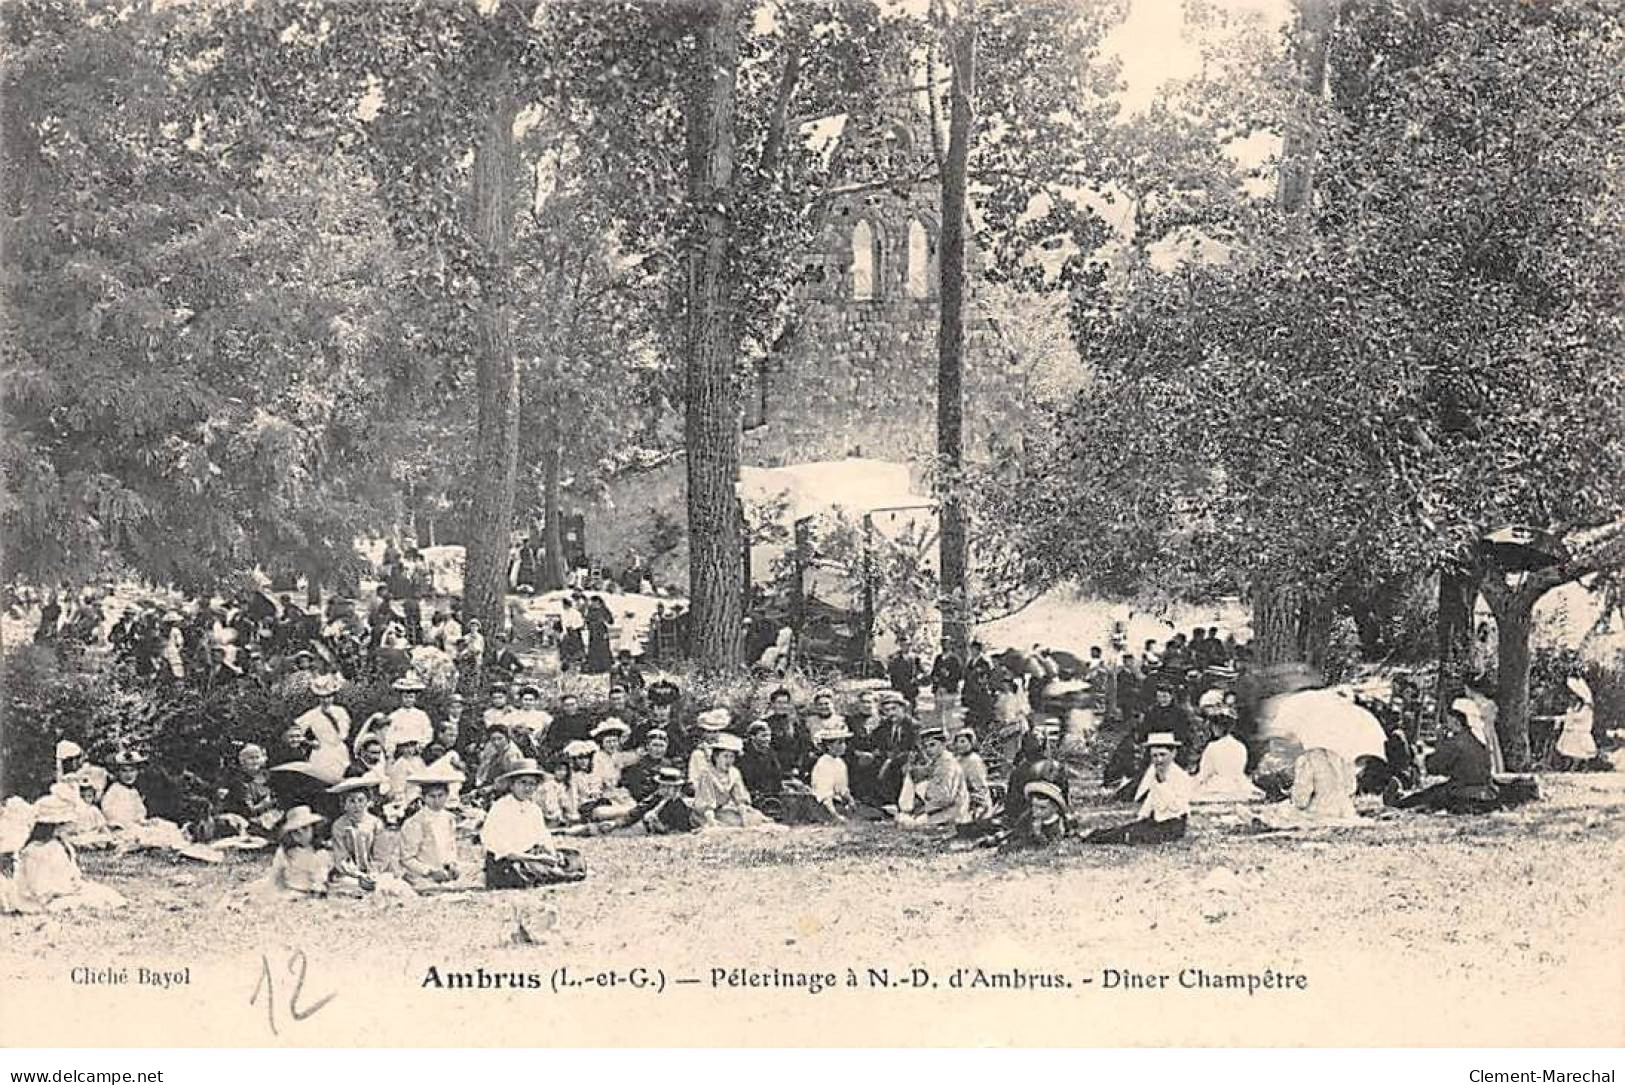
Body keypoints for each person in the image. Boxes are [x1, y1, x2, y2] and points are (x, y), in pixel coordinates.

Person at [1383, 699, 1505, 814]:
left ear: (1456, 721)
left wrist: (1438, 744)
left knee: (1432, 793)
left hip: (1463, 793)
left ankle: (1398, 803)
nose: (1447, 723)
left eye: (1449, 720)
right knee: (1439, 790)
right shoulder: (1478, 739)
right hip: (1487, 793)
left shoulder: (1457, 742)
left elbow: (1435, 766)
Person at [480, 759, 587, 888]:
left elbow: (542, 836)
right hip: (507, 862)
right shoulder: (500, 807)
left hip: (532, 854)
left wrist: (552, 854)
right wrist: (536, 859)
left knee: (573, 857)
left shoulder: (533, 809)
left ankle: (555, 871)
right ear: (512, 785)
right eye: (523, 783)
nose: (528, 788)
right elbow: (503, 850)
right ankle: (554, 874)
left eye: (532, 784)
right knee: (522, 870)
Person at [13, 797, 128, 912]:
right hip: (43, 897)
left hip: (63, 888)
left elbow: (70, 872)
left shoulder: (60, 844)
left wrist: (74, 882)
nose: (69, 828)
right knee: (86, 899)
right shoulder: (36, 850)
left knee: (103, 894)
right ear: (53, 826)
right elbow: (39, 888)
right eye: (64, 825)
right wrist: (67, 889)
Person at [1084, 733, 1191, 845]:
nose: (1159, 760)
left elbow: (1175, 808)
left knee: (1133, 836)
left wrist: (1162, 783)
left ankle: (1099, 839)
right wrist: (1142, 817)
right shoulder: (1155, 772)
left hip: (1172, 825)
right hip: (1156, 821)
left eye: (1163, 755)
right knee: (1126, 829)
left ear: (1173, 753)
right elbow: (1151, 799)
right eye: (1155, 756)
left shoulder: (1181, 777)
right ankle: (1093, 836)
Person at [1252, 747, 1360, 830]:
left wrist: (1292, 792)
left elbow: (1301, 800)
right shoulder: (1345, 758)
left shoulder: (1308, 758)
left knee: (1278, 812)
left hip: (1319, 811)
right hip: (1345, 810)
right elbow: (1350, 789)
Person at [326, 777, 398, 895]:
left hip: (374, 872)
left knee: (385, 883)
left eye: (360, 800)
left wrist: (372, 872)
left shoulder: (375, 823)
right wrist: (358, 874)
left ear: (368, 802)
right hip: (351, 875)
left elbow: (381, 854)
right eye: (352, 801)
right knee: (345, 884)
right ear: (344, 804)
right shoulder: (339, 826)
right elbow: (341, 857)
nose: (357, 805)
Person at [398, 765, 463, 889]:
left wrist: (452, 864)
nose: (437, 801)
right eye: (432, 796)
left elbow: (450, 847)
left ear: (447, 795)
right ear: (423, 797)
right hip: (421, 878)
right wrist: (429, 872)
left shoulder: (449, 818)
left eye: (441, 795)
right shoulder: (415, 822)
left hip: (444, 875)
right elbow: (406, 858)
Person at [896, 727, 969, 830]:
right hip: (937, 807)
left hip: (951, 811)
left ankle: (909, 813)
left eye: (932, 745)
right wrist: (912, 769)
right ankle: (906, 809)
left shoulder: (947, 765)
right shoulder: (937, 761)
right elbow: (923, 772)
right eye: (926, 747)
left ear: (943, 745)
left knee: (909, 824)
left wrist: (924, 809)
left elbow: (944, 798)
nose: (929, 750)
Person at [692, 734, 769, 828]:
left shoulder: (734, 773)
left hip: (723, 810)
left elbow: (740, 799)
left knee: (753, 817)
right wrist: (712, 823)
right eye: (725, 756)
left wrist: (745, 820)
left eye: (731, 757)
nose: (729, 760)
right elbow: (706, 804)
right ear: (716, 757)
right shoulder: (707, 774)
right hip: (706, 814)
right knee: (729, 823)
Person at [292, 674, 352, 784]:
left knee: (341, 781)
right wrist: (308, 742)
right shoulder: (312, 714)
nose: (326, 700)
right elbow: (295, 731)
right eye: (322, 697)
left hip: (339, 751)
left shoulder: (341, 711)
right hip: (321, 753)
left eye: (329, 696)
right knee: (321, 781)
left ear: (334, 696)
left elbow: (344, 734)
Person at [262, 807, 333, 898]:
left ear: (313, 829)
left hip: (309, 894)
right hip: (288, 892)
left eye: (305, 828)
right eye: (295, 832)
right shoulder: (285, 852)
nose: (301, 834)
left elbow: (319, 880)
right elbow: (276, 875)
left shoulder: (320, 853)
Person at [1191, 713, 1263, 802]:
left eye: (1212, 726)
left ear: (1216, 727)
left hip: (1218, 785)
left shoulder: (1213, 747)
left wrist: (1192, 785)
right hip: (1238, 785)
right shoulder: (1240, 746)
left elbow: (1205, 773)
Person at [613, 766, 699, 835]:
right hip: (643, 824)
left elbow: (680, 830)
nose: (665, 790)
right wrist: (618, 823)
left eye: (669, 787)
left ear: (677, 788)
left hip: (651, 829)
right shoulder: (656, 796)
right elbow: (639, 810)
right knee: (615, 829)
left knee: (624, 832)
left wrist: (661, 828)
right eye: (663, 786)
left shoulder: (679, 805)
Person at [226, 744, 283, 835]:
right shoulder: (241, 782)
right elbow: (248, 810)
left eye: (257, 757)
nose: (255, 761)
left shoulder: (267, 776)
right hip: (250, 823)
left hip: (274, 817)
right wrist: (265, 804)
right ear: (243, 762)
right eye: (251, 758)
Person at [809, 724, 856, 821]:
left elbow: (842, 788)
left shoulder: (839, 762)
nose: (844, 746)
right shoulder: (824, 764)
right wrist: (836, 816)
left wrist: (850, 800)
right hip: (824, 807)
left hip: (839, 802)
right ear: (829, 746)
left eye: (844, 742)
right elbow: (824, 795)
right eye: (840, 743)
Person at [1555, 676, 1598, 766]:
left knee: (1580, 750)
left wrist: (1570, 714)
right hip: (1575, 729)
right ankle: (1571, 764)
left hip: (1581, 729)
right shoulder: (1578, 706)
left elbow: (1580, 717)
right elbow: (1573, 716)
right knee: (1571, 748)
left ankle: (1579, 764)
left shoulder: (1587, 708)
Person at [386, 673, 434, 753]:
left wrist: (421, 745)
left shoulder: (421, 715)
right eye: (405, 697)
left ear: (415, 699)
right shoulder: (394, 716)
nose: (408, 700)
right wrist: (391, 750)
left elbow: (428, 733)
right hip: (400, 750)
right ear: (401, 698)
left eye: (411, 697)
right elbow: (389, 736)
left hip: (416, 750)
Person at [621, 729, 674, 802]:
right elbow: (637, 792)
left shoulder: (668, 764)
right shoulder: (637, 764)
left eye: (661, 746)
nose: (658, 750)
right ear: (647, 746)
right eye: (655, 745)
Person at [954, 728, 993, 822]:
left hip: (975, 802)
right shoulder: (957, 760)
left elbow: (979, 788)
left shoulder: (974, 761)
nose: (959, 745)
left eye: (963, 741)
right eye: (957, 742)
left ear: (971, 743)